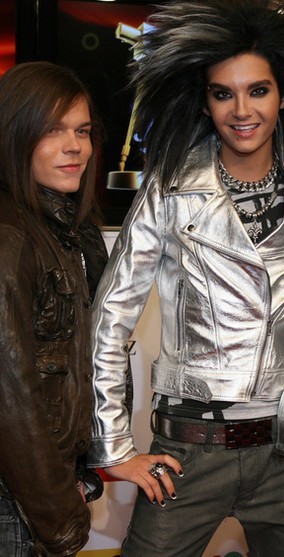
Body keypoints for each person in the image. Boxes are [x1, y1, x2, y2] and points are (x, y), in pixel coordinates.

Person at [87, 1, 284, 556]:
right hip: (188, 451)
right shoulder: (168, 190)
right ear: (205, 102)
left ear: (283, 96)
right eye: (222, 93)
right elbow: (111, 317)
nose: (242, 110)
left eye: (258, 90)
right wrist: (115, 446)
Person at [0, 61, 107, 556]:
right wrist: (60, 516)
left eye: (82, 131)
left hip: (47, 490)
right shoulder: (10, 235)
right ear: (14, 135)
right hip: (17, 502)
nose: (74, 146)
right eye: (53, 130)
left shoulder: (73, 233)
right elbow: (10, 395)